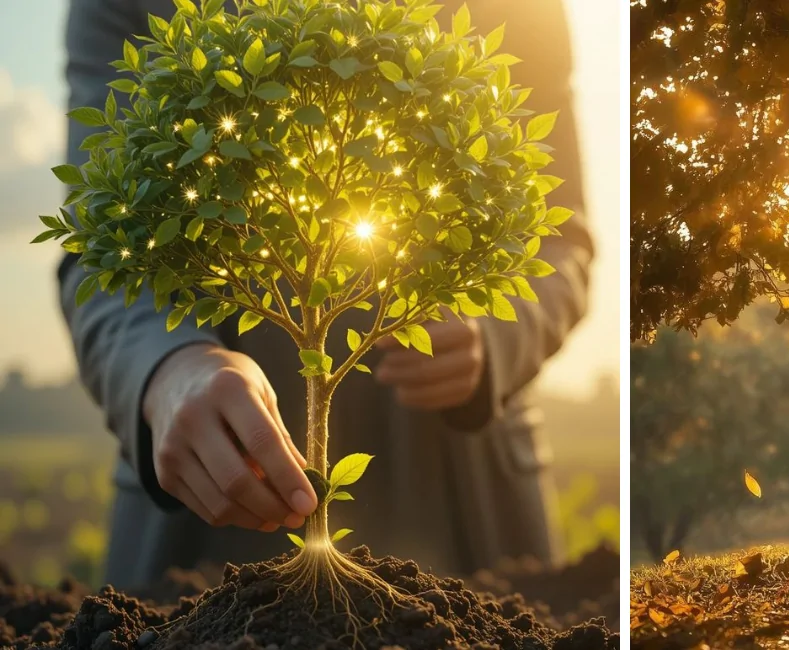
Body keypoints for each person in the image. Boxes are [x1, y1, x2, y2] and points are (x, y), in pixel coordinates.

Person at [59, 0, 594, 589]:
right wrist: (168, 368)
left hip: (468, 510)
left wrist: (497, 331)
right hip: (205, 523)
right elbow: (106, 237)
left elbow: (559, 235)